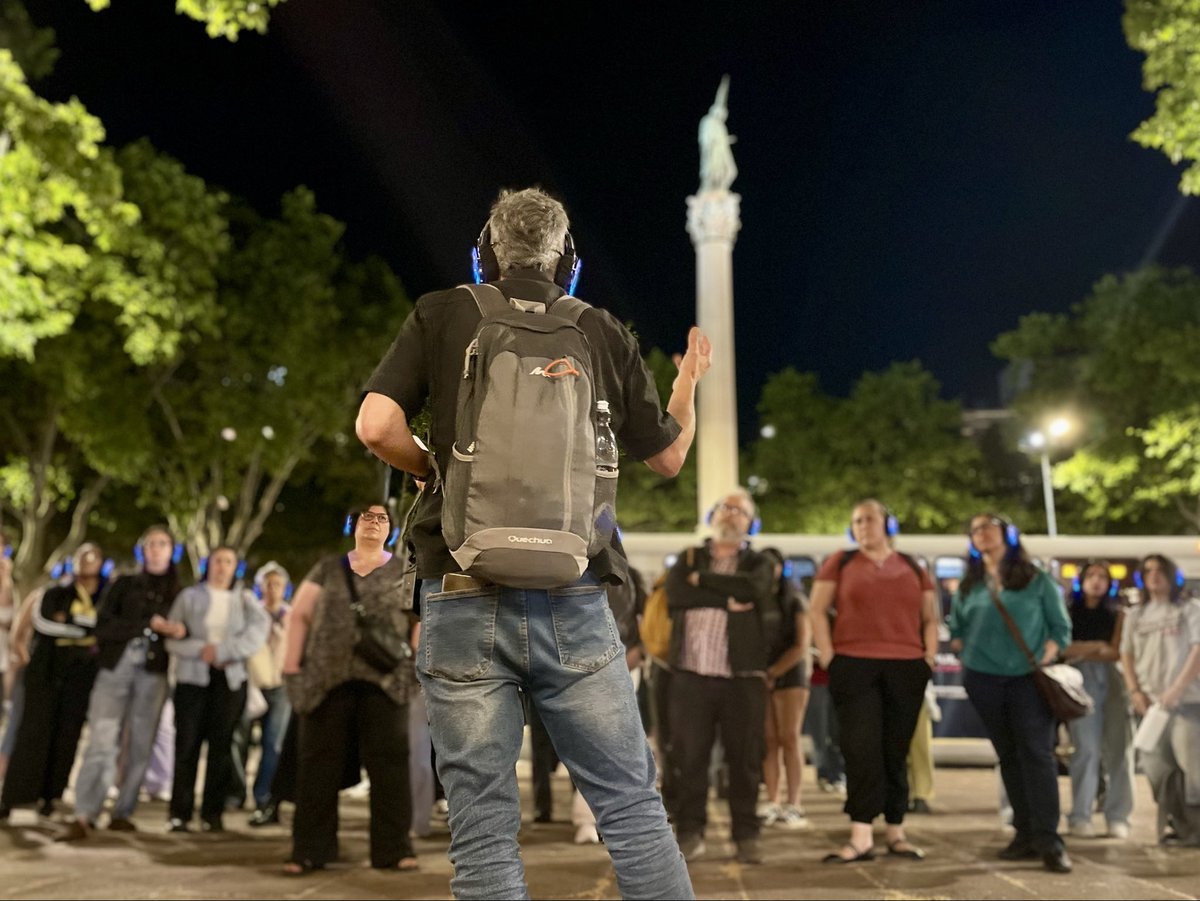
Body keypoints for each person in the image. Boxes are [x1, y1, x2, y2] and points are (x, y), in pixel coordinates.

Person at [356, 186, 708, 899]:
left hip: (461, 596)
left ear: (485, 250)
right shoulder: (603, 329)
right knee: (631, 808)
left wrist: (437, 472)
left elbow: (374, 425)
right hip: (576, 597)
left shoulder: (443, 310)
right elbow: (668, 458)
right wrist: (687, 385)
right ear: (567, 260)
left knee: (483, 826)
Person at [282, 503, 419, 875]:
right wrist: (292, 670)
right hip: (326, 679)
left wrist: (415, 666)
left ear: (391, 528)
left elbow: (420, 616)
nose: (373, 523)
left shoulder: (404, 568)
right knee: (317, 767)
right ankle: (309, 850)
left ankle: (394, 849)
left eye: (381, 518)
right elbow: (299, 616)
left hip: (386, 680)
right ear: (353, 524)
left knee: (390, 765)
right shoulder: (328, 568)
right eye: (366, 517)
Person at [809, 500, 937, 865]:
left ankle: (896, 830)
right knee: (860, 747)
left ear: (887, 524)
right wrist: (829, 654)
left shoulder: (913, 565)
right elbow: (816, 609)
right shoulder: (841, 561)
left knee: (896, 750)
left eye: (870, 519)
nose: (864, 526)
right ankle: (861, 834)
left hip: (906, 665)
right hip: (854, 664)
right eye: (857, 521)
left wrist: (927, 656)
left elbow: (930, 616)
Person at [948, 513, 1073, 873]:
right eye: (974, 529)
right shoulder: (970, 584)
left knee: (1037, 754)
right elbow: (957, 627)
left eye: (988, 527)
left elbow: (1060, 629)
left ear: (1008, 535)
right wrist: (966, 651)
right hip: (983, 679)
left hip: (1027, 679)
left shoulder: (1035, 579)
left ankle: (1050, 840)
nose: (980, 534)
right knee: (1009, 755)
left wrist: (1042, 657)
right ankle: (1024, 835)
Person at [664, 489, 774, 864]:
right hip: (691, 676)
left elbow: (754, 589)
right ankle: (691, 831)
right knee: (690, 758)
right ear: (714, 515)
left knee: (744, 760)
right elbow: (675, 594)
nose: (731, 515)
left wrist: (702, 582)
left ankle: (746, 833)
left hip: (741, 677)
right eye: (726, 508)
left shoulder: (758, 562)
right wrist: (725, 600)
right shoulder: (689, 558)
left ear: (750, 522)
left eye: (740, 511)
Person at [57, 526, 185, 841]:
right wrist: (145, 626)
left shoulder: (181, 591)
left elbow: (188, 630)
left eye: (162, 544)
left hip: (154, 672)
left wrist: (178, 631)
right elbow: (103, 626)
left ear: (171, 550)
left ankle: (123, 810)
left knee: (142, 743)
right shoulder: (124, 584)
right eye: (150, 544)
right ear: (143, 550)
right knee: (102, 739)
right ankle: (84, 813)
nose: (156, 549)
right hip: (116, 667)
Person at [164, 546, 268, 833]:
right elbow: (171, 639)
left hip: (230, 680)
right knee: (187, 745)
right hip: (192, 680)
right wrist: (201, 650)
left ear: (236, 566)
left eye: (228, 562)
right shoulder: (189, 597)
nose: (222, 567)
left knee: (221, 747)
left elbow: (258, 633)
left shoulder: (245, 600)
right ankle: (179, 813)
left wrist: (223, 650)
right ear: (208, 564)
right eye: (217, 561)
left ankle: (213, 813)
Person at [0, 544, 105, 819]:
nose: (88, 562)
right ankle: (13, 797)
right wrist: (82, 627)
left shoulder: (106, 596)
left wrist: (75, 623)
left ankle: (51, 797)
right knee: (30, 732)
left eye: (94, 558)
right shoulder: (52, 591)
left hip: (80, 675)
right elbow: (44, 623)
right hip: (44, 672)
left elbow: (104, 627)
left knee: (67, 735)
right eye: (83, 557)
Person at [1120, 554, 1200, 846]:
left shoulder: (1190, 609)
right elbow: (1126, 654)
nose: (1154, 576)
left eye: (1160, 570)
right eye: (1148, 571)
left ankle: (1195, 830)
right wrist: (1135, 691)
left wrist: (1177, 689)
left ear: (1172, 575)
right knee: (1156, 768)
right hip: (1151, 707)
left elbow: (1197, 650)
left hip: (1188, 704)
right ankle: (1178, 825)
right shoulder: (1136, 615)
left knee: (1194, 770)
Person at [1062, 560, 1134, 839]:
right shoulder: (1068, 612)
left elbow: (1116, 652)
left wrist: (1084, 650)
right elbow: (1064, 647)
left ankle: (1118, 816)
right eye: (1090, 575)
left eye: (1102, 576)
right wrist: (1095, 647)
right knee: (1086, 749)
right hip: (1078, 680)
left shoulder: (1118, 614)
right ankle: (1080, 816)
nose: (1096, 581)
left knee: (1119, 750)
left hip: (1115, 681)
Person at [756, 546, 813, 830]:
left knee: (789, 738)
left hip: (791, 676)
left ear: (782, 567)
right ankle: (773, 802)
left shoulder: (795, 599)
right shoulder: (756, 599)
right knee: (769, 741)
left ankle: (795, 803)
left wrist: (775, 671)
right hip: (763, 676)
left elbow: (802, 645)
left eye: (773, 564)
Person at [240, 561, 293, 826]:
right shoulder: (251, 614)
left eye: (278, 584)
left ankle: (264, 797)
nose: (272, 589)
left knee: (273, 744)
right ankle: (235, 792)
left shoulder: (291, 616)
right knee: (239, 741)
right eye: (268, 583)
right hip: (251, 685)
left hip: (281, 687)